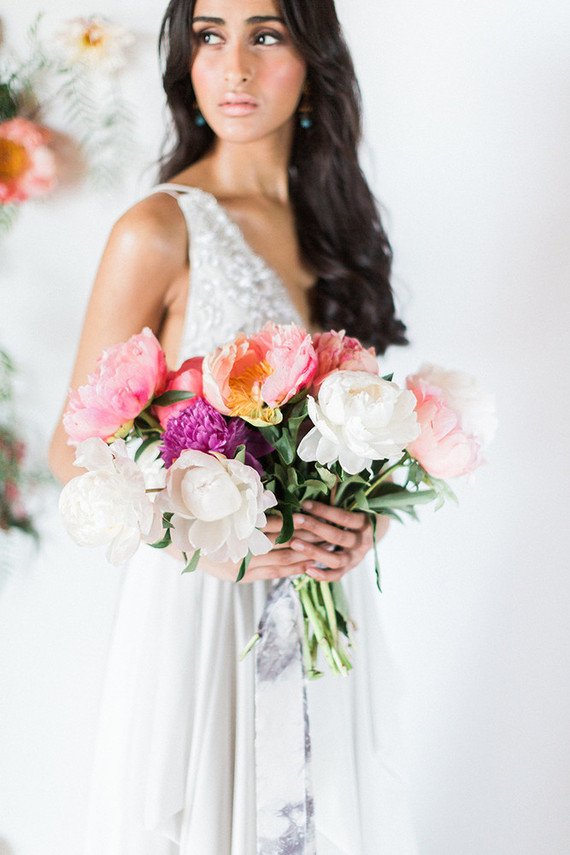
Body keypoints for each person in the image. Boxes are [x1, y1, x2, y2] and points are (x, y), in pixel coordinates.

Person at [49, 1, 418, 852]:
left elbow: (346, 439)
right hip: (206, 602)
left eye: (266, 35)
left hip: (325, 602)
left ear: (314, 62)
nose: (234, 68)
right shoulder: (158, 229)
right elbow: (74, 448)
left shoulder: (336, 229)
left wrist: (362, 520)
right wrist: (205, 544)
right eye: (210, 36)